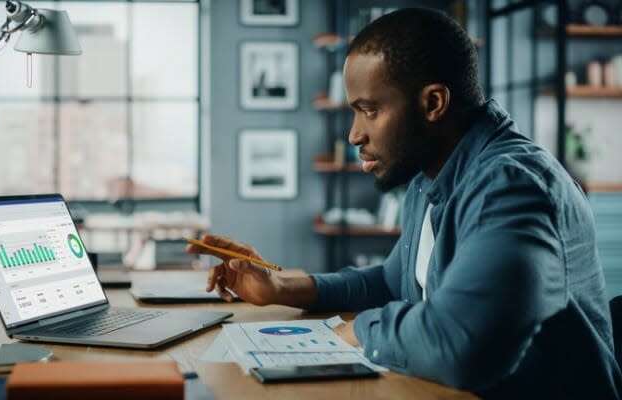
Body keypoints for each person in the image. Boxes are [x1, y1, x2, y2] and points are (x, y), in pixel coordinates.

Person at [187, 8, 621, 399]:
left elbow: (458, 346)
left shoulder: (511, 187)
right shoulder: (430, 174)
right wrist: (282, 287)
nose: (354, 134)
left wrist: (360, 328)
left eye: (369, 110)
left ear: (433, 103)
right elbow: (394, 282)